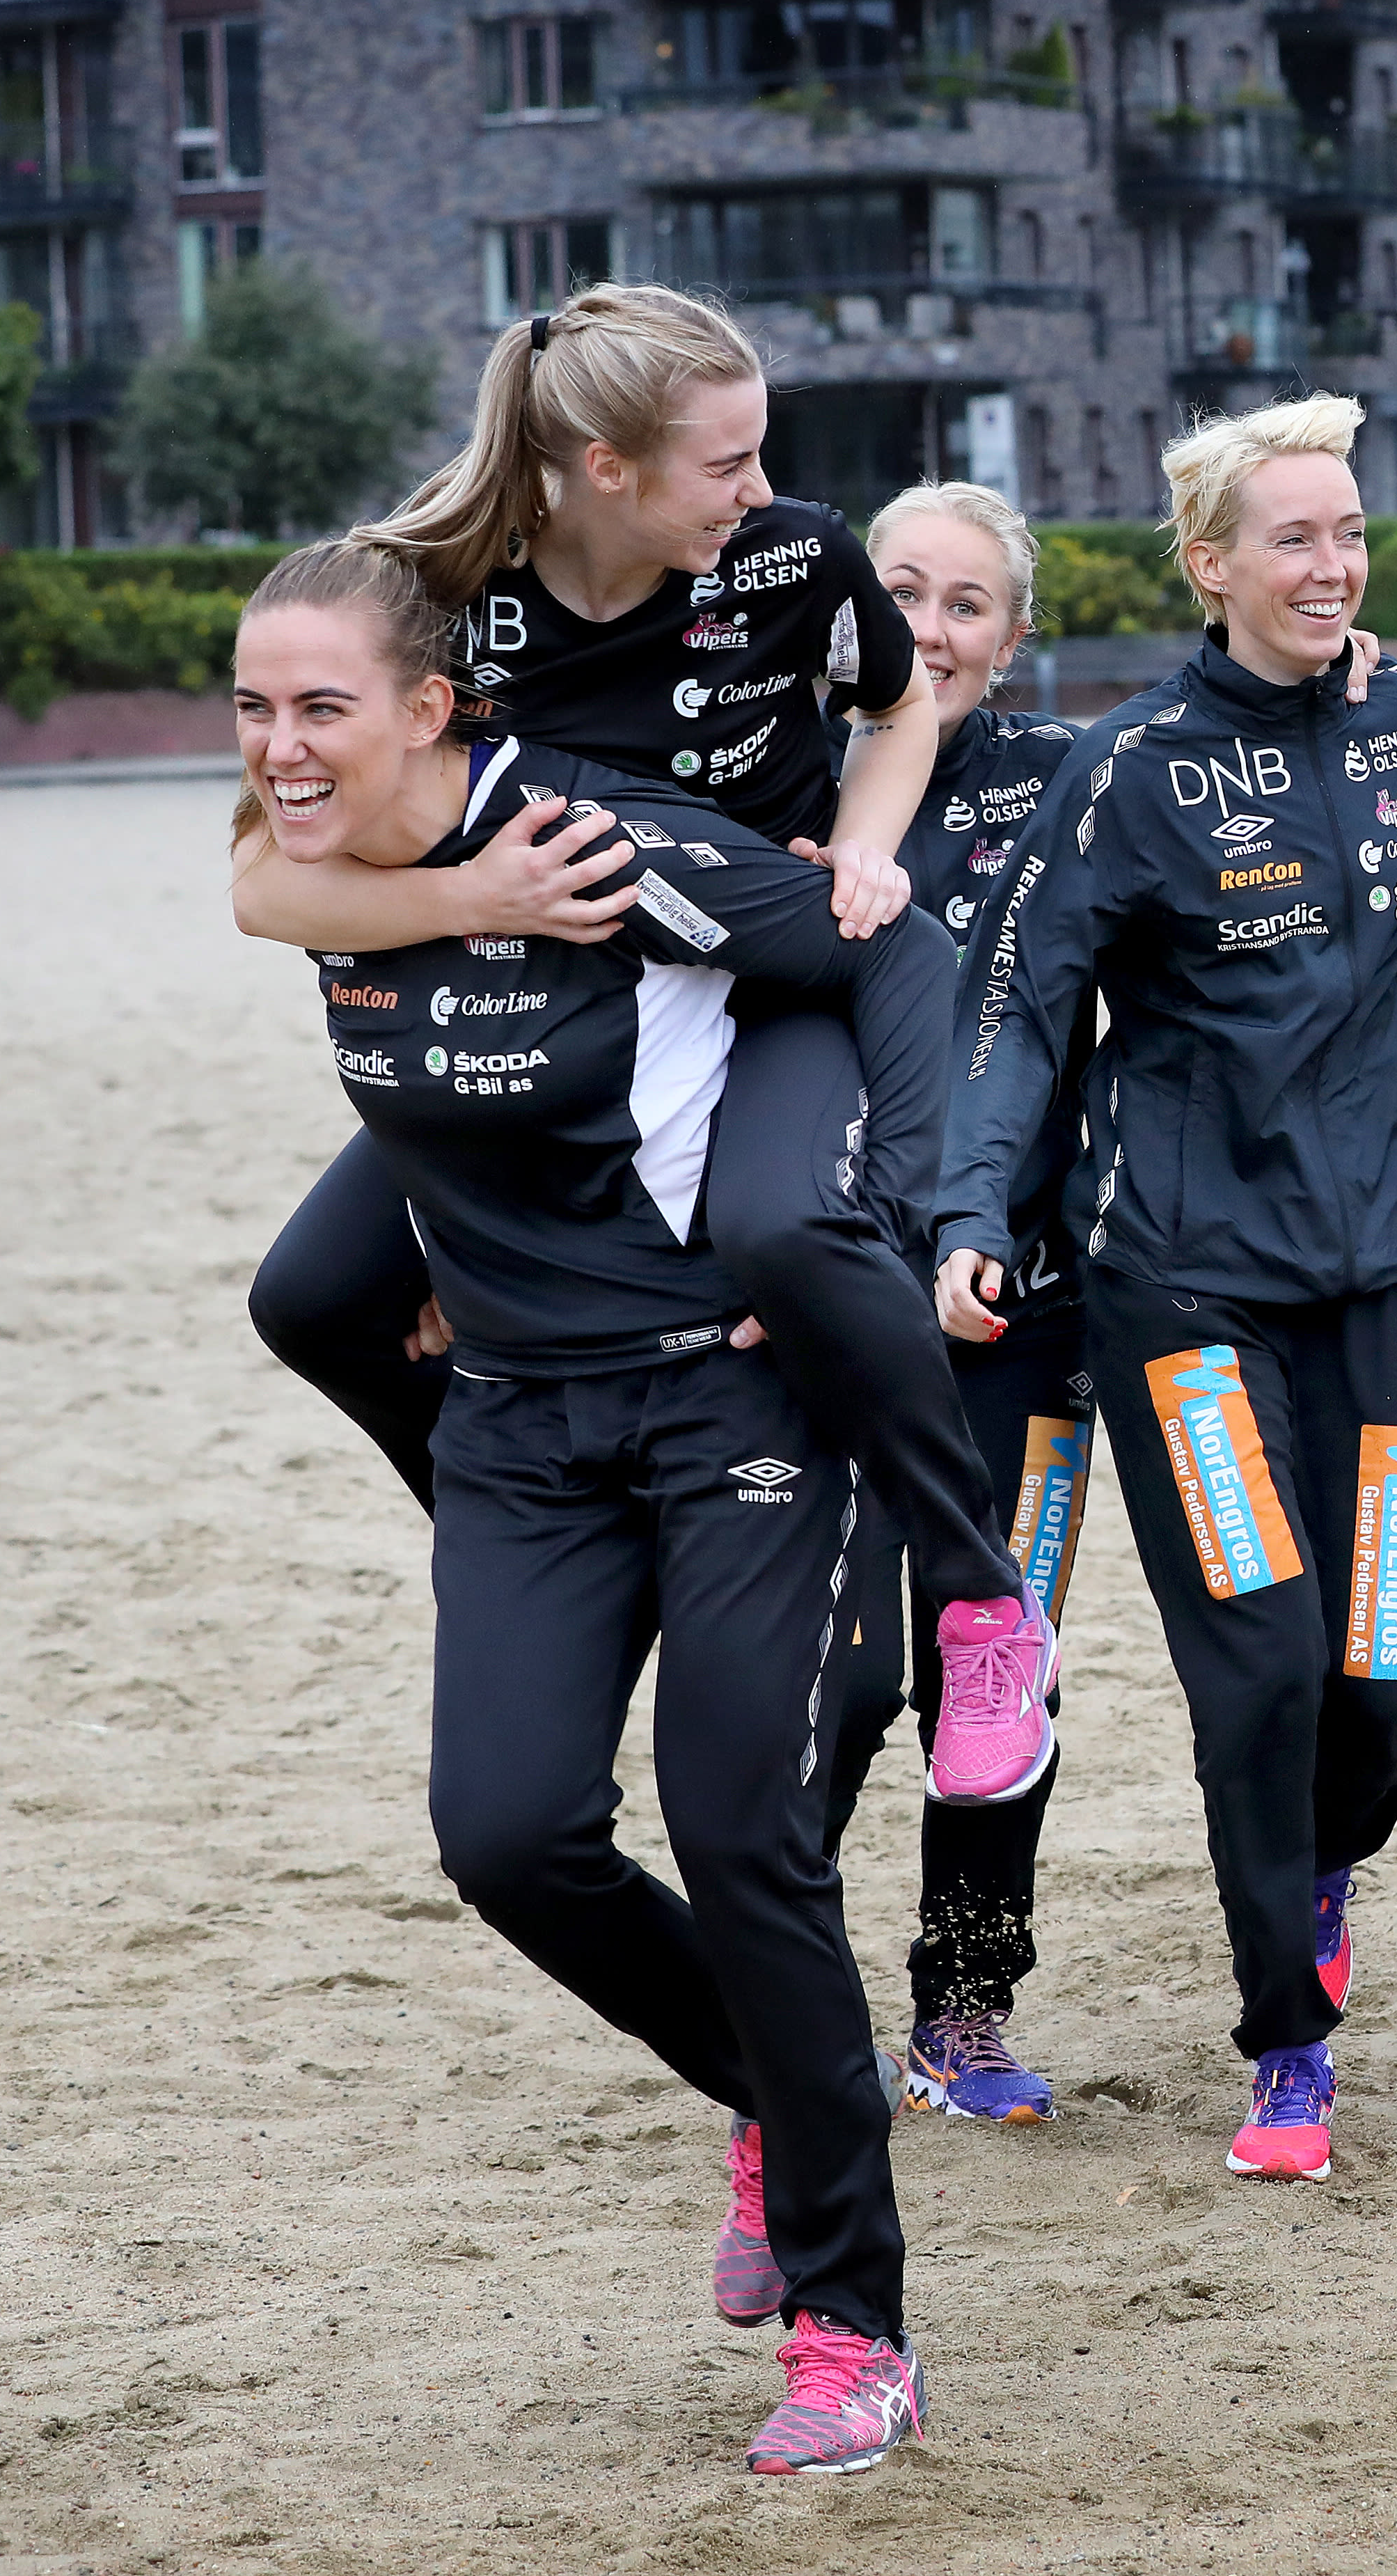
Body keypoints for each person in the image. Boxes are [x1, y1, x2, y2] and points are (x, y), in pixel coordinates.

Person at [233, 535, 944, 2473]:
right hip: (521, 1429)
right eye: (257, 706)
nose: (282, 744)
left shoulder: (598, 843)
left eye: (323, 706)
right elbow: (268, 888)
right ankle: (783, 2081)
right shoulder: (311, 866)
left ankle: (853, 2327)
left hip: (731, 1402)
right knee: (508, 1835)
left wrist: (874, 1216)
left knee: (740, 1831)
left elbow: (881, 951)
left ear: (432, 707)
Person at [235, 284, 1051, 1808]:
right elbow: (260, 884)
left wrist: (865, 852)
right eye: (726, 461)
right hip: (551, 1011)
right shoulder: (441, 586)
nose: (763, 488)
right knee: (311, 1297)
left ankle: (979, 1598)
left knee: (783, 1231)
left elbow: (896, 712)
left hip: (770, 974)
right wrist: (470, 897)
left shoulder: (795, 556)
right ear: (605, 466)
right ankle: (539, 1544)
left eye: (760, 454)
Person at [933, 396, 1397, 2181]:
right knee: (1263, 1666)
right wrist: (971, 1211)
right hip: (1186, 1298)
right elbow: (1019, 1012)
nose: (1333, 565)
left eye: (1350, 532)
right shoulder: (1128, 769)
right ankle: (1288, 2047)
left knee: (1383, 1675)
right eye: (1294, 538)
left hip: (1377, 1280)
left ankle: (1323, 1860)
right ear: (1209, 563)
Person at [813, 482, 1097, 2125]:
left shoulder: (1068, 777)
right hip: (816, 1306)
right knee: (835, 1674)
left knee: (1000, 1664)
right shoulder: (783, 774)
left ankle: (966, 2005)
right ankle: (789, 1999)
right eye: (899, 588)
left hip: (1021, 1313)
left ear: (1013, 632)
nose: (927, 625)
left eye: (966, 600)